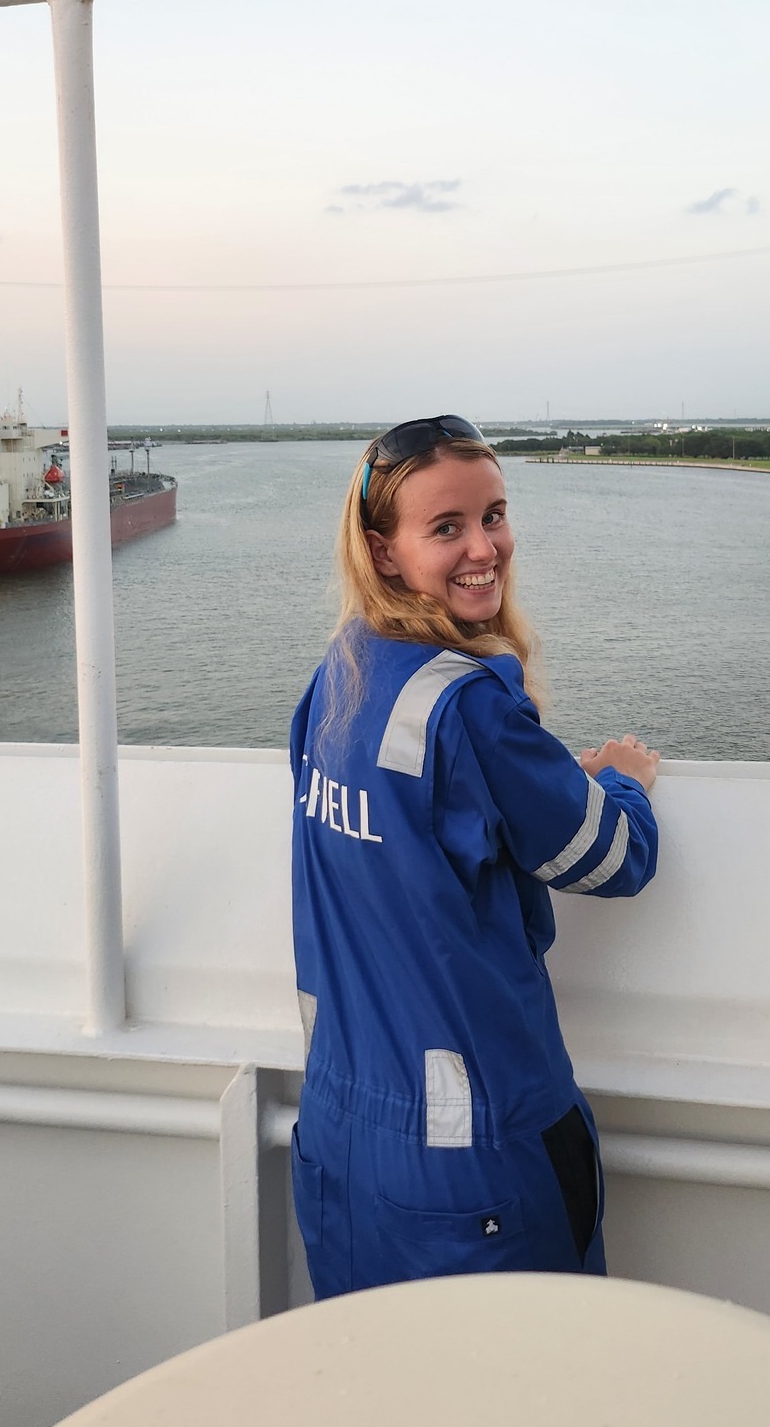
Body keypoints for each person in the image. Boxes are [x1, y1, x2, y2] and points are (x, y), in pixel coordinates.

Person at [289, 414, 660, 1298]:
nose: (483, 547)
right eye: (446, 527)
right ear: (384, 551)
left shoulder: (340, 671)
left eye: (492, 515)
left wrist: (517, 790)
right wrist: (630, 781)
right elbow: (615, 859)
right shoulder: (470, 709)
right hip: (473, 1151)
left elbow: (410, 822)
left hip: (342, 1122)